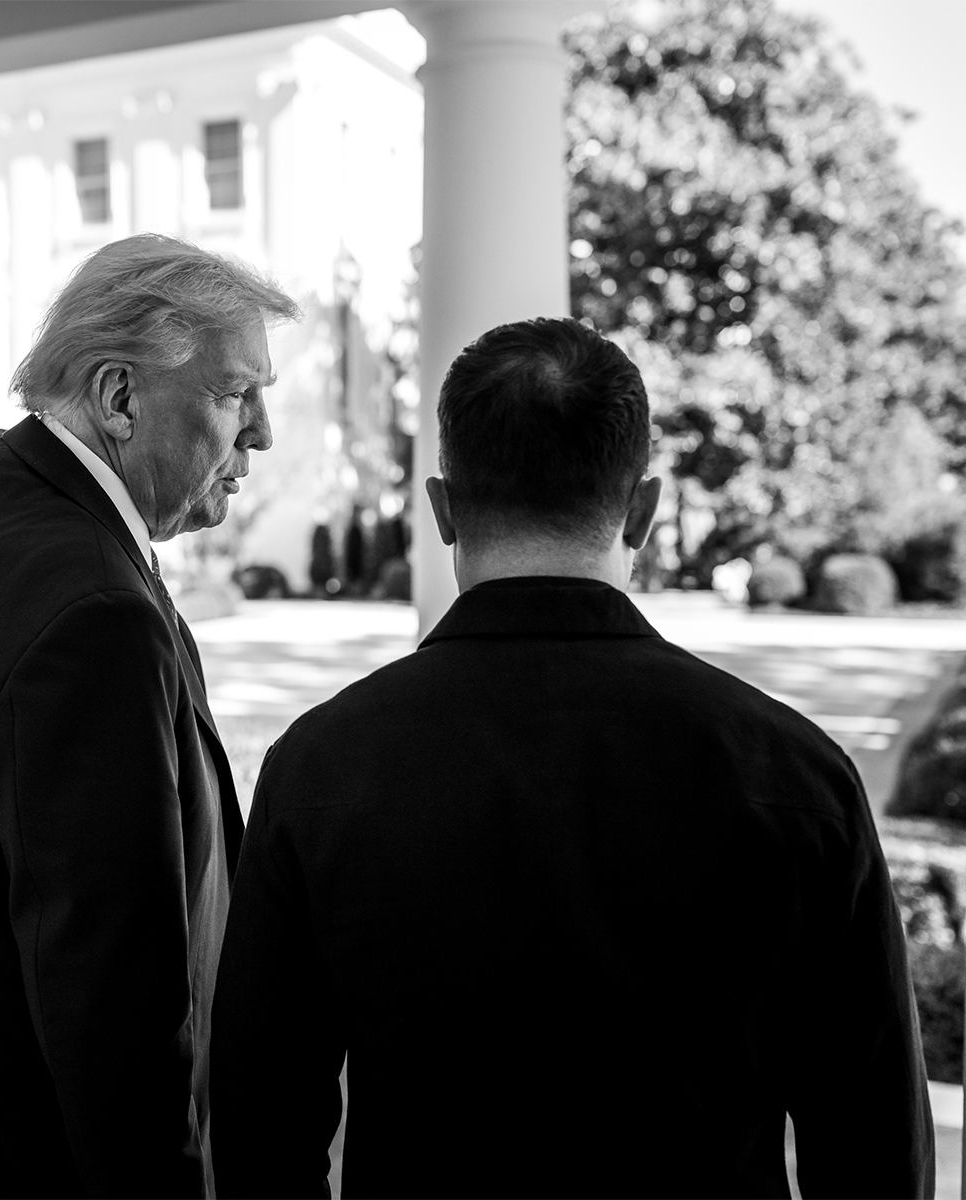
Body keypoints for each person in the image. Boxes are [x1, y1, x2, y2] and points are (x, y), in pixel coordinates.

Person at [210, 317, 934, 1198]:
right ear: (645, 511)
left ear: (441, 510)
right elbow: (872, 1142)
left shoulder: (321, 769)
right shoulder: (796, 776)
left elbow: (261, 1123)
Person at [0, 234, 299, 1198]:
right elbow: (115, 1011)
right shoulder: (97, 620)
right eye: (233, 393)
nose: (260, 434)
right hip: (12, 1158)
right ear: (121, 398)